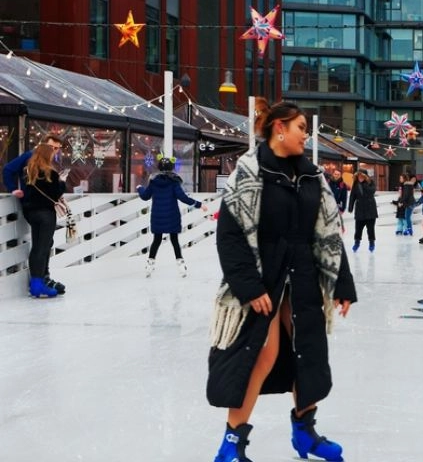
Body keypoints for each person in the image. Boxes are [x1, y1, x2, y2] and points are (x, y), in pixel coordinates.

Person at [208, 98, 356, 462]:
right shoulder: (249, 171)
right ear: (279, 128)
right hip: (264, 278)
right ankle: (231, 445)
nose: (306, 136)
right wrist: (249, 287)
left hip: (303, 277)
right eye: (301, 128)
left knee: (305, 353)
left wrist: (342, 284)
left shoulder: (312, 176)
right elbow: (230, 236)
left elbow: (329, 233)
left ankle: (305, 433)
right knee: (262, 353)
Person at [4, 134, 67, 295]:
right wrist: (12, 188)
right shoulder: (39, 165)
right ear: (45, 147)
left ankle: (41, 279)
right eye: (53, 148)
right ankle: (40, 281)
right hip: (43, 210)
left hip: (30, 208)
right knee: (42, 244)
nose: (55, 151)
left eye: (58, 149)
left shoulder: (31, 168)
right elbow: (8, 169)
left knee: (42, 243)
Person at [137, 155, 203, 278]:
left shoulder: (154, 182)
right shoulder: (174, 182)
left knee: (156, 240)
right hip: (172, 216)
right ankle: (181, 266)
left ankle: (149, 266)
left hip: (158, 216)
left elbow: (145, 196)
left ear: (159, 167)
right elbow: (183, 198)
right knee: (174, 240)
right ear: (171, 168)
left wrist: (139, 188)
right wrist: (198, 204)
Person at [348, 168, 377, 253]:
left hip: (370, 209)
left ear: (365, 176)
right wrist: (350, 206)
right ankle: (357, 242)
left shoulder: (371, 182)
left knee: (370, 228)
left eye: (362, 176)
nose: (360, 178)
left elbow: (372, 191)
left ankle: (371, 242)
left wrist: (364, 184)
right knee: (358, 228)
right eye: (359, 176)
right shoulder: (356, 184)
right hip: (360, 209)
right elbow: (352, 196)